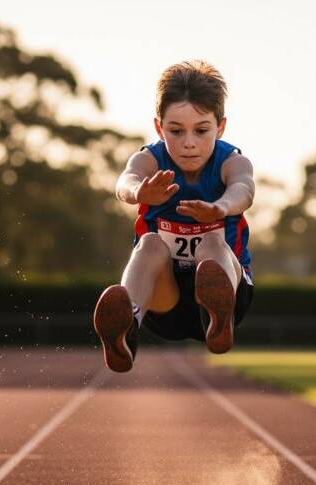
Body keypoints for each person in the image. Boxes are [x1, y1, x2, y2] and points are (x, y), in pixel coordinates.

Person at [93, 60, 255, 373]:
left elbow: (244, 189)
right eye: (176, 131)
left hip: (228, 292)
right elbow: (124, 182)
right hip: (163, 298)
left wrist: (220, 207)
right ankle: (126, 329)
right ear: (158, 127)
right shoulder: (151, 159)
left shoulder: (231, 161)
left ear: (220, 127)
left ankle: (219, 318)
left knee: (211, 242)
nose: (189, 143)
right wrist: (141, 192)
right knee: (151, 244)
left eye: (202, 130)